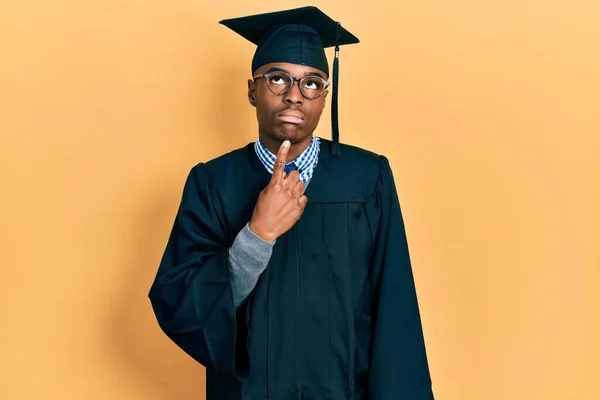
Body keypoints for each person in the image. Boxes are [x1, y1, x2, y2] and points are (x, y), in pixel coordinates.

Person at [149, 6, 434, 399]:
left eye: (311, 83)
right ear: (252, 91)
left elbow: (394, 309)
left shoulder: (368, 179)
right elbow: (179, 303)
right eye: (277, 79)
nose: (295, 96)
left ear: (325, 96)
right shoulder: (212, 183)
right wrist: (257, 236)